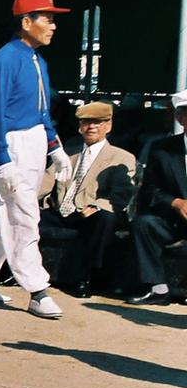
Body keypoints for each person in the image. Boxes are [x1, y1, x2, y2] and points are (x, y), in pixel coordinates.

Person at [0, 0, 73, 319]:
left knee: (10, 211)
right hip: (14, 144)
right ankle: (37, 289)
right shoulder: (3, 61)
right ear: (27, 22)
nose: (52, 25)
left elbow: (41, 110)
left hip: (35, 141)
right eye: (47, 18)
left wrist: (56, 148)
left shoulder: (38, 61)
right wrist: (3, 157)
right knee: (24, 214)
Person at [37, 101, 136, 297]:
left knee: (104, 219)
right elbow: (45, 182)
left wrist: (97, 206)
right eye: (86, 122)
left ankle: (85, 278)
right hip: (60, 210)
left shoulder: (122, 157)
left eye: (97, 122)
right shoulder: (67, 152)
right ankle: (17, 271)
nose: (91, 127)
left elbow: (122, 194)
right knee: (23, 215)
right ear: (80, 126)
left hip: (89, 213)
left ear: (108, 126)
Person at [125, 92, 187, 305]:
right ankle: (158, 288)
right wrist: (175, 202)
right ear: (180, 118)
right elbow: (150, 189)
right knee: (144, 224)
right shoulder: (163, 149)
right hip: (174, 218)